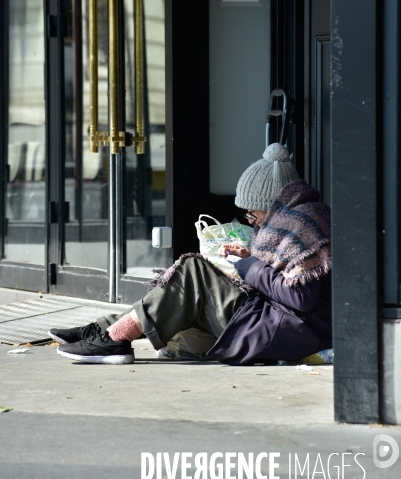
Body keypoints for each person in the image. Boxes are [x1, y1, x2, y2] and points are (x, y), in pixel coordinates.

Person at [50, 143, 332, 366]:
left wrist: (247, 266)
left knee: (193, 271)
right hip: (274, 321)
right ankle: (104, 331)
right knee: (184, 287)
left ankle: (113, 338)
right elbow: (287, 275)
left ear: (270, 205)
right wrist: (248, 258)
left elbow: (299, 297)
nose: (250, 220)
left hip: (281, 331)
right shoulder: (297, 219)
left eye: (251, 212)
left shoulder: (304, 225)